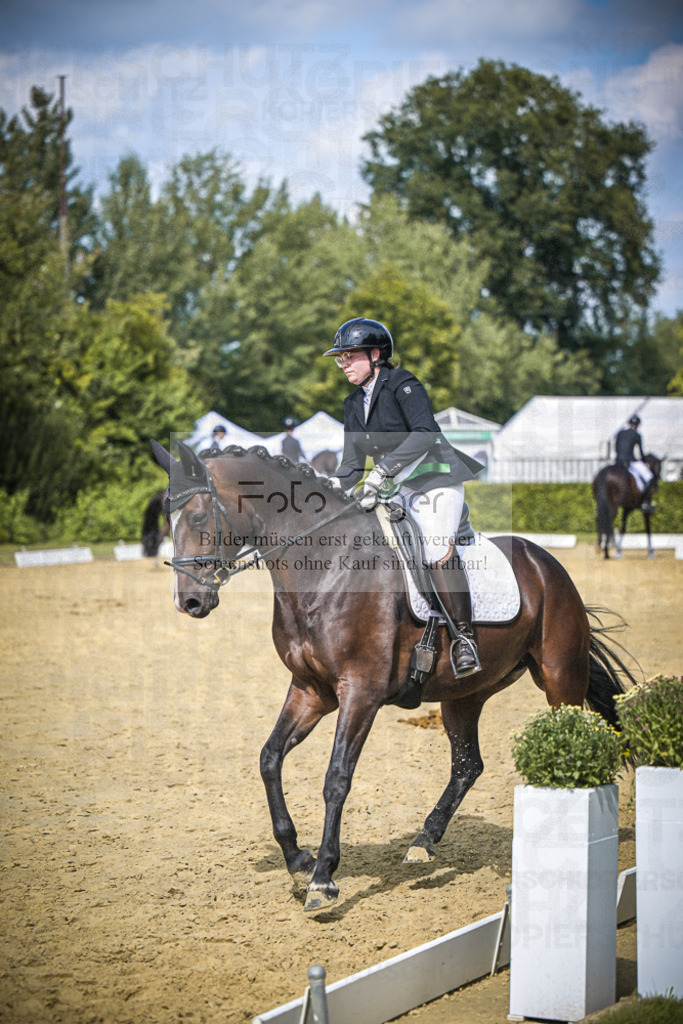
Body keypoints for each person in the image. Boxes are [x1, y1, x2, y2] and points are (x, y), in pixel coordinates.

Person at [323, 317, 484, 677]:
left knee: (432, 547)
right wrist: (327, 491)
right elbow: (351, 465)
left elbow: (425, 433)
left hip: (434, 480)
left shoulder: (402, 384)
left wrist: (383, 471)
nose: (344, 364)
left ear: (375, 354)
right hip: (396, 489)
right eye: (341, 358)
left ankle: (464, 639)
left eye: (350, 356)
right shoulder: (352, 403)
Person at [615, 414, 655, 511]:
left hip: (618, 461)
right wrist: (644, 461)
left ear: (629, 423)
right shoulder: (637, 435)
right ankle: (645, 502)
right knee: (649, 476)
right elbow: (641, 452)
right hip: (629, 461)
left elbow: (616, 447)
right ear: (638, 425)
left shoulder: (620, 432)